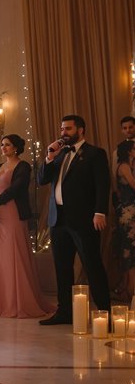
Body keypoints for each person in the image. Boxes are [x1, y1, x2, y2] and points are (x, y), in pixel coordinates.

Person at [0, 135, 53, 318]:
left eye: (7, 145)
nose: (3, 148)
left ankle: (17, 301)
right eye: (2, 145)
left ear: (16, 148)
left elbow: (17, 188)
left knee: (12, 253)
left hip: (12, 213)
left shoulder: (23, 166)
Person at [38, 115, 111, 325]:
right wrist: (50, 157)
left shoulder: (95, 154)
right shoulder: (59, 154)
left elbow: (102, 185)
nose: (63, 133)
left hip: (84, 219)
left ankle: (104, 312)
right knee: (62, 267)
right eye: (62, 129)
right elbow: (42, 179)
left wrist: (100, 212)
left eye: (68, 129)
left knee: (92, 265)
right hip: (58, 219)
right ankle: (65, 312)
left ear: (80, 130)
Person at [110, 140, 135, 303]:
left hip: (130, 210)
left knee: (130, 248)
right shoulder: (124, 167)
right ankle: (128, 289)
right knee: (129, 248)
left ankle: (128, 288)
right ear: (128, 151)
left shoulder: (128, 166)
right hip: (128, 212)